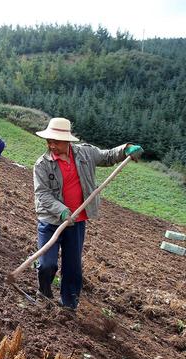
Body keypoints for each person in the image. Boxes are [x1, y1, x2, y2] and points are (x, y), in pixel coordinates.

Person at [33, 117, 143, 310]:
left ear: (67, 141)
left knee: (73, 267)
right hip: (50, 220)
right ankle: (44, 293)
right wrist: (62, 211)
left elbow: (108, 156)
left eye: (55, 141)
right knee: (46, 264)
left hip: (77, 221)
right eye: (49, 141)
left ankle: (69, 304)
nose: (51, 145)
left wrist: (126, 148)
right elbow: (42, 194)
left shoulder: (85, 153)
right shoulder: (42, 165)